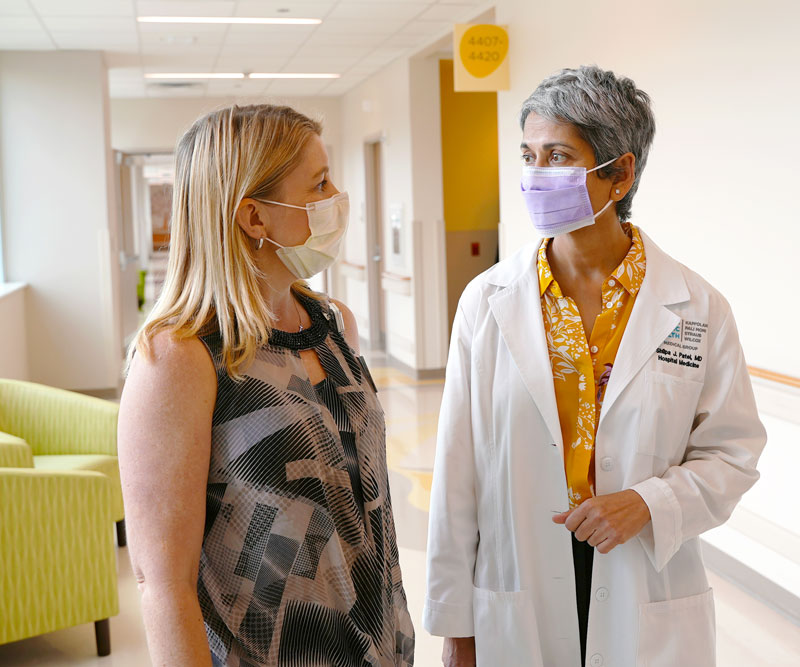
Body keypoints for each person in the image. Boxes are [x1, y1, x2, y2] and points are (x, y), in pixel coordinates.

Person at [423, 66, 766, 667]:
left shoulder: (697, 307)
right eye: (528, 155)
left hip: (644, 573)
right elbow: (458, 472)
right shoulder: (487, 301)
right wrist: (457, 626)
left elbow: (732, 454)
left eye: (558, 156)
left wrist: (651, 503)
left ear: (620, 174)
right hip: (520, 580)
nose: (535, 175)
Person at [118, 104, 414, 667]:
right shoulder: (181, 358)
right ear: (254, 217)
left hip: (381, 646)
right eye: (319, 184)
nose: (337, 198)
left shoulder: (334, 323)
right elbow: (164, 582)